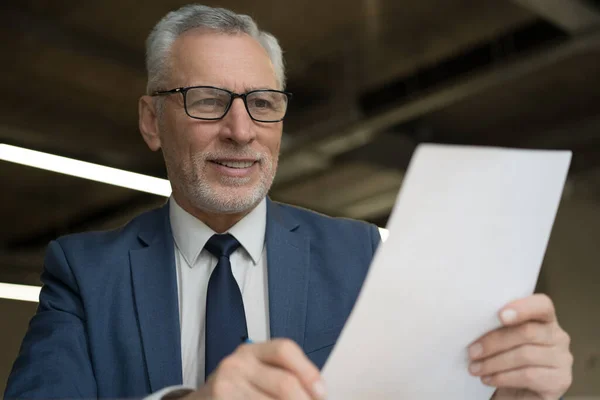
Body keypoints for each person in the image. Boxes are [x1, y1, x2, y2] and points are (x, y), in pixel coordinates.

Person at [5, 4, 573, 400]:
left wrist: (512, 394)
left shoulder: (361, 254)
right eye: (206, 101)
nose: (240, 130)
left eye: (262, 102)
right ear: (152, 121)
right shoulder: (84, 272)